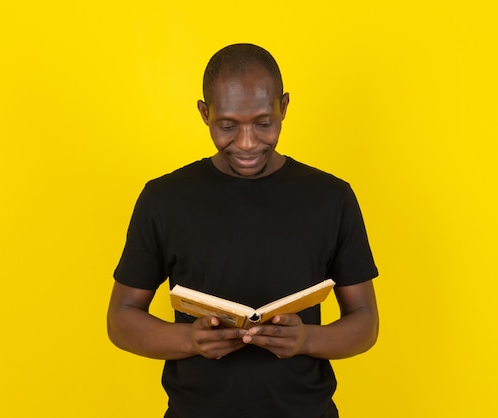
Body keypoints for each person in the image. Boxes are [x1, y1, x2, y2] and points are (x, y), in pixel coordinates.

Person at [107, 43, 379, 418]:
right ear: (205, 113)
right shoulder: (164, 199)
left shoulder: (331, 198)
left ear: (284, 107)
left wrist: (306, 339)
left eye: (264, 123)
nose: (248, 143)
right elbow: (121, 318)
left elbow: (365, 321)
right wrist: (189, 338)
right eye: (228, 126)